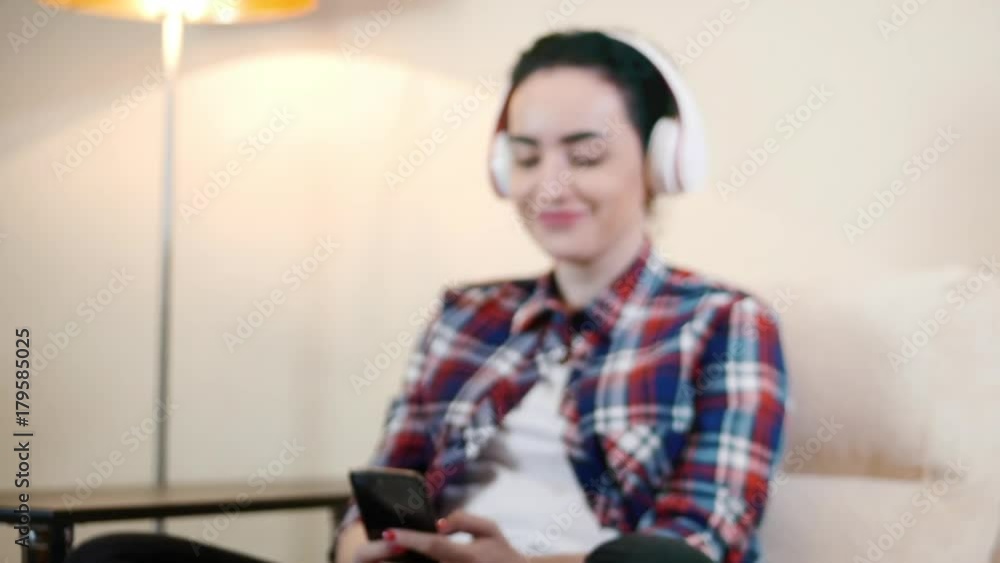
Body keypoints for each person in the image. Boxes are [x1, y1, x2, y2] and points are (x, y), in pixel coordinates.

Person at [65, 28, 788, 563]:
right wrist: (360, 543)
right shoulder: (469, 314)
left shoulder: (723, 321)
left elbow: (704, 539)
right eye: (526, 156)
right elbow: (390, 478)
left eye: (586, 153)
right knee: (116, 556)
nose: (550, 184)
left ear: (663, 160)